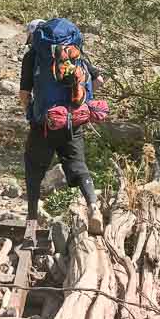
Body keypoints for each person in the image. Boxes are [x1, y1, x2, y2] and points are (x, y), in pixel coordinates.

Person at [19, 19, 105, 236]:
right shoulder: (75, 52)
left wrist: (30, 111)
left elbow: (24, 94)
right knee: (78, 166)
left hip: (45, 124)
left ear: (35, 37)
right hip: (73, 121)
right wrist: (81, 101)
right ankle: (94, 206)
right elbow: (99, 81)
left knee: (34, 170)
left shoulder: (33, 56)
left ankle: (31, 224)